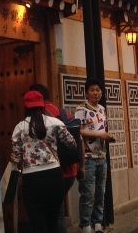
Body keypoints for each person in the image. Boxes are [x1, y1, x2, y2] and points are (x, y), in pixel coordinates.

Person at [10, 89, 77, 233]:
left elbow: (15, 157)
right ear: (42, 105)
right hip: (54, 176)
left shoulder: (19, 128)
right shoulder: (55, 123)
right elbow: (72, 143)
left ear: (26, 107)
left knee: (37, 223)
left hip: (31, 179)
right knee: (53, 221)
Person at [29, 83, 82, 233]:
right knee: (56, 212)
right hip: (70, 171)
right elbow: (77, 142)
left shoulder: (34, 119)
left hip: (50, 174)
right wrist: (81, 167)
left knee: (48, 215)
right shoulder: (65, 113)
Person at [75, 78, 115, 233]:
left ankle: (97, 223)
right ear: (86, 92)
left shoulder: (102, 109)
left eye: (98, 90)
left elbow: (102, 128)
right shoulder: (81, 109)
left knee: (100, 192)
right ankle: (85, 225)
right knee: (88, 193)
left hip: (101, 156)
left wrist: (107, 137)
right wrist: (100, 134)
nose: (96, 93)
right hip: (87, 158)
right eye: (92, 90)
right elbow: (78, 130)